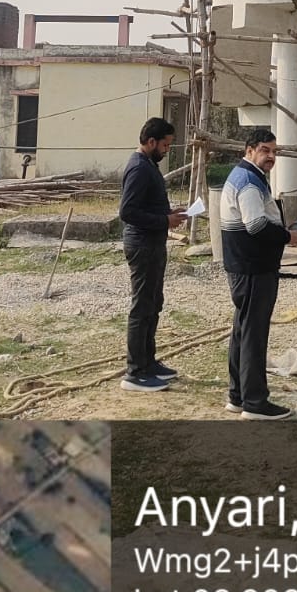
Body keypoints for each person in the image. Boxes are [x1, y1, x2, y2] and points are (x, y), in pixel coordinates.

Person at [219, 128, 297, 419]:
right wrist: (287, 236)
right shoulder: (248, 181)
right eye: (265, 150)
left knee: (243, 331)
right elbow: (255, 225)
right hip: (253, 267)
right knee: (253, 335)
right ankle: (255, 402)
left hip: (245, 265)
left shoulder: (247, 176)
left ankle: (238, 396)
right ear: (250, 150)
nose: (271, 156)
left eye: (274, 152)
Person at [120, 117, 187, 393]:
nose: (167, 150)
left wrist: (169, 214)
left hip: (154, 243)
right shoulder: (138, 168)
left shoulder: (149, 165)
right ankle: (135, 372)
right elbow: (128, 211)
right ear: (151, 142)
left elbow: (147, 206)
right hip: (142, 244)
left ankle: (148, 362)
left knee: (153, 303)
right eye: (165, 145)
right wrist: (164, 221)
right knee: (142, 307)